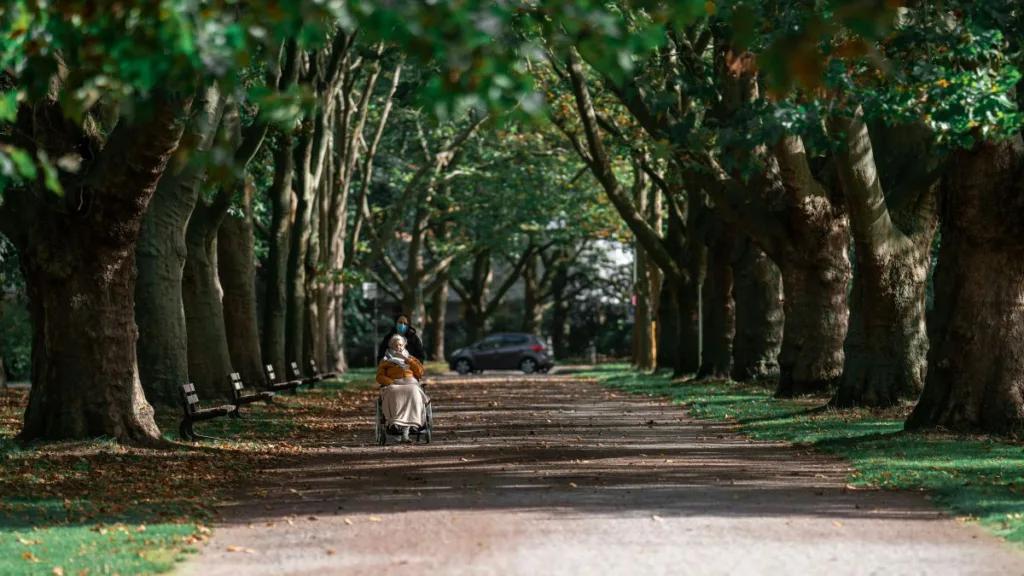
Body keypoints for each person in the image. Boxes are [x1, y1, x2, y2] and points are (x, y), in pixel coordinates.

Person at [376, 334, 428, 443]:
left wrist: (407, 360)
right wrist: (390, 382)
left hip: (411, 383)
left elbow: (420, 372)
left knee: (415, 391)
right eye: (395, 345)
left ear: (404, 346)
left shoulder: (411, 358)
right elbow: (379, 376)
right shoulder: (386, 361)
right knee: (393, 391)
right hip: (394, 384)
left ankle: (414, 423)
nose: (398, 347)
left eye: (400, 345)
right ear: (391, 347)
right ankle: (395, 423)